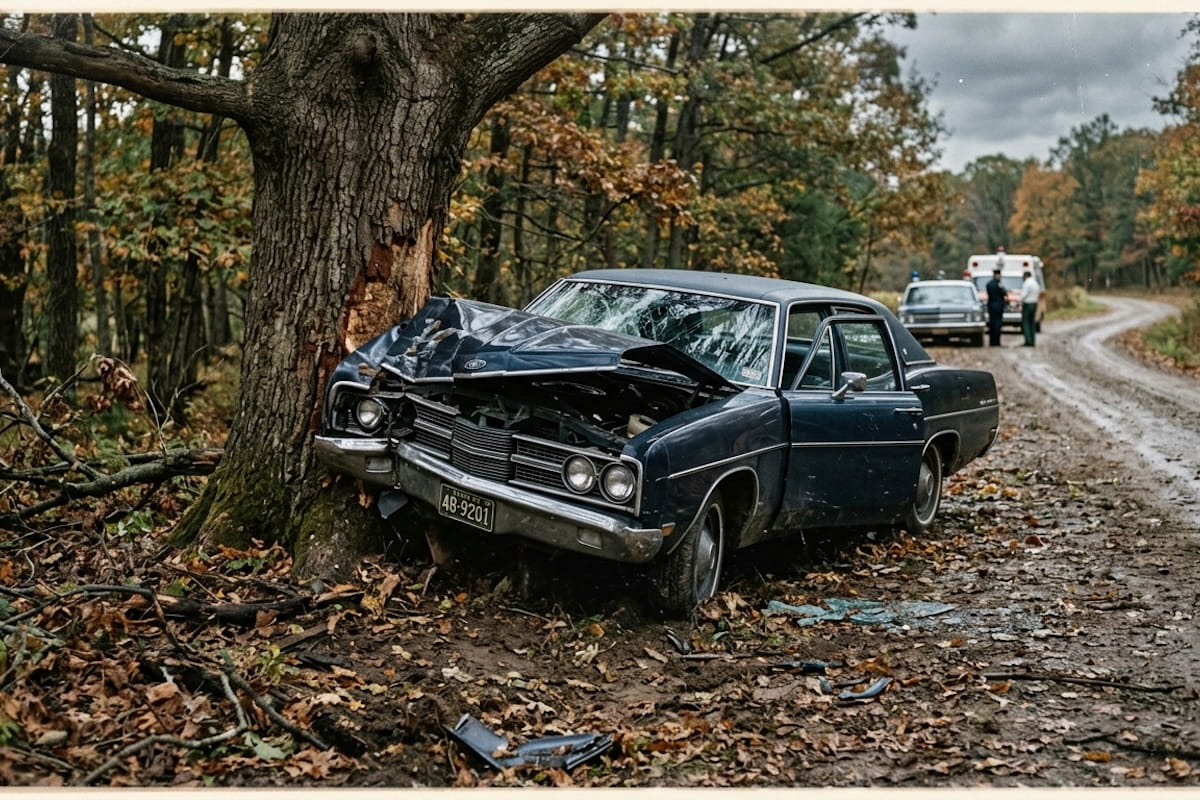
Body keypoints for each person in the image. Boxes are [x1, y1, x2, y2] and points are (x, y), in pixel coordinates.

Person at [1020, 269, 1040, 346]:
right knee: (1032, 323)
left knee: (1026, 323)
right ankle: (1032, 340)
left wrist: (1020, 301)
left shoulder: (1026, 283)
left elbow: (1023, 295)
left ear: (1025, 276)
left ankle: (1028, 341)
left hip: (1028, 304)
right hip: (1034, 303)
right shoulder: (1035, 283)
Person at [985, 268, 1005, 346]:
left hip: (991, 306)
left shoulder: (989, 284)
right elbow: (1003, 293)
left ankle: (992, 342)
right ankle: (996, 342)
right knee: (997, 324)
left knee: (992, 324)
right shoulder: (999, 284)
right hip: (998, 306)